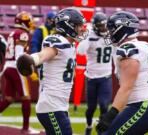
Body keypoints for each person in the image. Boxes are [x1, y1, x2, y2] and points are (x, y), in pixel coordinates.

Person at [16, 7, 87, 135]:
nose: (82, 29)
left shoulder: (69, 44)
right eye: (79, 26)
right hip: (52, 107)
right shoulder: (57, 40)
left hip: (58, 106)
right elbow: (45, 54)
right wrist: (33, 59)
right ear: (68, 26)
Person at [96, 11, 148, 135]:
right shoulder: (145, 46)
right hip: (145, 106)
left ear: (122, 29)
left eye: (112, 29)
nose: (109, 33)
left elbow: (127, 87)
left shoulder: (127, 49)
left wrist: (111, 114)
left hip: (143, 106)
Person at [77, 12, 114, 135]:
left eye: (105, 25)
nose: (104, 28)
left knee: (104, 106)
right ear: (95, 26)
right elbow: (80, 51)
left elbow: (116, 51)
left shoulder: (110, 36)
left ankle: (101, 130)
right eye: (101, 26)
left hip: (106, 76)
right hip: (91, 77)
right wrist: (86, 37)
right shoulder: (90, 35)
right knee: (91, 108)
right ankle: (88, 126)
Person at [0, 11, 36, 133]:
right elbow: (19, 55)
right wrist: (29, 70)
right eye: (29, 21)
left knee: (9, 98)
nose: (31, 23)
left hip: (7, 68)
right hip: (17, 68)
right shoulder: (22, 34)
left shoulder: (12, 33)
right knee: (26, 97)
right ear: (24, 22)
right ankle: (25, 128)